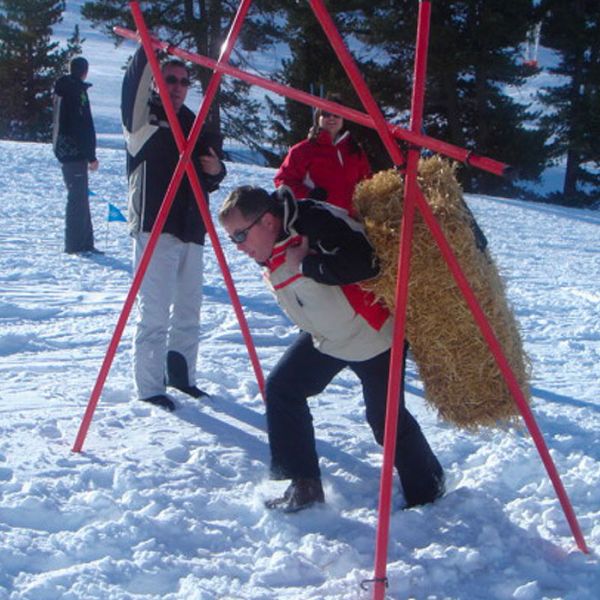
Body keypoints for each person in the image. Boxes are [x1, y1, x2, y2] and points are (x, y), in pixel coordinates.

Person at [218, 185, 444, 513]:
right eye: (232, 239)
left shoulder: (312, 221)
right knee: (283, 390)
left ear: (267, 221)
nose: (238, 248)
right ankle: (304, 485)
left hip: (371, 334)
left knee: (384, 419)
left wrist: (308, 266)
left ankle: (428, 490)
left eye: (240, 236)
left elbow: (367, 262)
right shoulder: (269, 240)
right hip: (326, 337)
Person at [121, 46, 226, 412]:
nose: (178, 87)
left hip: (191, 227)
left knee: (188, 308)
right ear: (156, 82)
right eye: (170, 79)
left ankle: (182, 375)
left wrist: (216, 172)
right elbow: (132, 84)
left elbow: (210, 172)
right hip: (155, 226)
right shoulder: (142, 119)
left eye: (183, 81)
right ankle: (150, 386)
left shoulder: (194, 123)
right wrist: (146, 48)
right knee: (153, 310)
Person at [273, 95, 371, 215]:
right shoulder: (303, 150)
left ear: (343, 118)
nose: (331, 118)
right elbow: (283, 181)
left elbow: (367, 183)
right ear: (317, 117)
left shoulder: (355, 150)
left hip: (351, 224)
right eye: (325, 114)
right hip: (317, 221)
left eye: (336, 115)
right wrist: (308, 195)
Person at [52, 56, 100, 255]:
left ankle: (85, 242)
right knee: (77, 197)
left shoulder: (62, 90)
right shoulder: (76, 92)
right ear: (84, 71)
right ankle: (74, 244)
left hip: (64, 149)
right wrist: (90, 155)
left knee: (80, 195)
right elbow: (82, 125)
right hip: (75, 151)